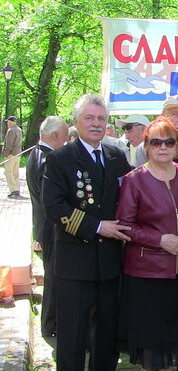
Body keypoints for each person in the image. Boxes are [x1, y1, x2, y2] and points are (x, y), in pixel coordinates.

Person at [42, 94, 132, 370]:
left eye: (101, 118)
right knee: (73, 337)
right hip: (74, 264)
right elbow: (55, 207)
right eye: (89, 118)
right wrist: (97, 226)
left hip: (109, 265)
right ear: (76, 122)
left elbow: (134, 192)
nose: (96, 124)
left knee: (106, 338)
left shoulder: (116, 156)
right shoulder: (60, 159)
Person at [116, 116, 178, 370]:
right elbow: (125, 226)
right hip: (148, 276)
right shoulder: (134, 180)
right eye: (156, 142)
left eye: (169, 142)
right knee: (154, 350)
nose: (162, 147)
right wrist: (159, 240)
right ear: (146, 148)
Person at [26, 115, 69, 337]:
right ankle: (51, 324)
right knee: (53, 276)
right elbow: (50, 200)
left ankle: (51, 322)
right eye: (64, 137)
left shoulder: (36, 153)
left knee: (52, 274)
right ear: (54, 136)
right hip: (51, 228)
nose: (67, 142)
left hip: (44, 226)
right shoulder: (47, 159)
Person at [2, 115, 22, 198]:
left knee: (8, 172)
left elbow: (9, 144)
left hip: (11, 154)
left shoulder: (11, 130)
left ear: (10, 122)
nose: (7, 123)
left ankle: (13, 190)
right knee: (15, 172)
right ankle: (17, 188)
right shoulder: (19, 129)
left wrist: (5, 154)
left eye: (8, 122)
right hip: (18, 153)